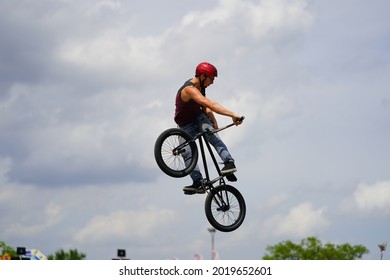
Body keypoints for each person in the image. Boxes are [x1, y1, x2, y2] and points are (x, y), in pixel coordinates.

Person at [174, 62, 243, 195]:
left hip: (199, 118)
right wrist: (232, 114)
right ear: (203, 76)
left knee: (212, 136)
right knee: (187, 153)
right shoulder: (189, 89)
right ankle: (198, 182)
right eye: (211, 79)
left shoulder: (201, 86)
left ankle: (229, 163)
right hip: (184, 125)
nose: (212, 83)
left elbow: (205, 106)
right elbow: (209, 103)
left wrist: (213, 119)